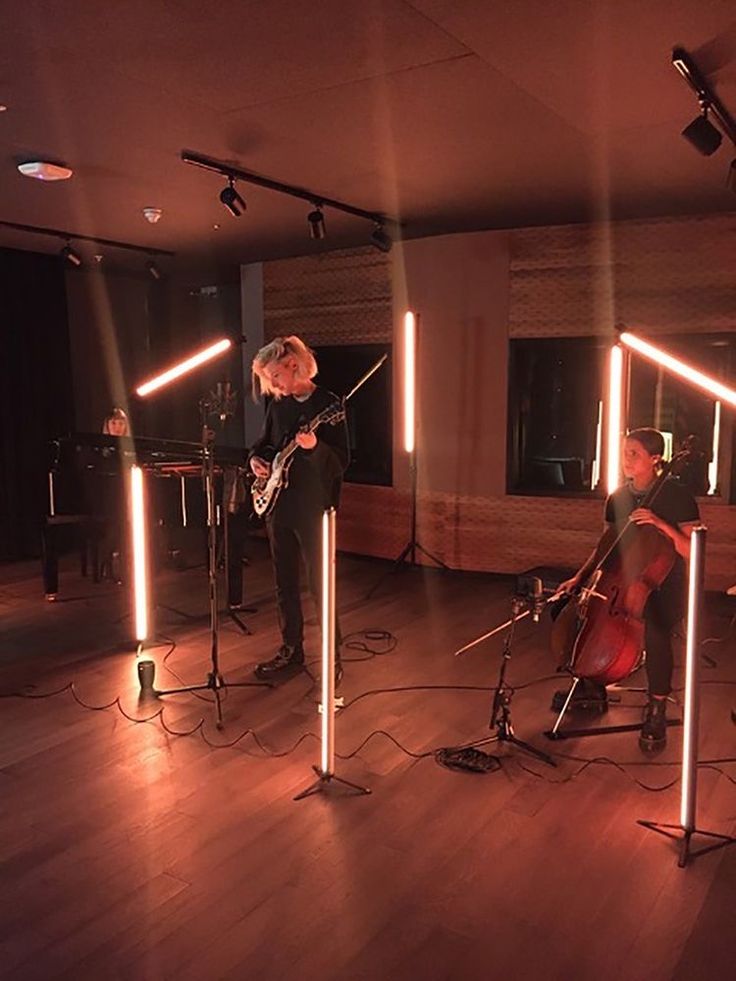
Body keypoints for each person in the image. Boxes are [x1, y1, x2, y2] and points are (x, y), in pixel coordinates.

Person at [556, 428, 700, 751]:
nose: (626, 460)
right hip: (620, 580)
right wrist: (580, 578)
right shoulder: (617, 498)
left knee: (658, 631)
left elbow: (692, 550)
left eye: (634, 454)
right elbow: (605, 547)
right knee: (584, 609)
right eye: (624, 453)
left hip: (663, 584)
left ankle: (657, 706)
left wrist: (659, 524)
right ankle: (591, 682)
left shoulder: (678, 496)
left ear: (656, 458)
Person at [249, 336, 349, 683]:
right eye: (268, 379)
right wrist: (257, 461)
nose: (273, 384)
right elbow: (262, 445)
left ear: (293, 364)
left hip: (313, 508)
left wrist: (315, 446)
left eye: (275, 375)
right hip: (279, 507)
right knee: (284, 583)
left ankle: (332, 658)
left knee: (320, 584)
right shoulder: (278, 405)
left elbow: (340, 462)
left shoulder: (329, 405)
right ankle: (291, 650)